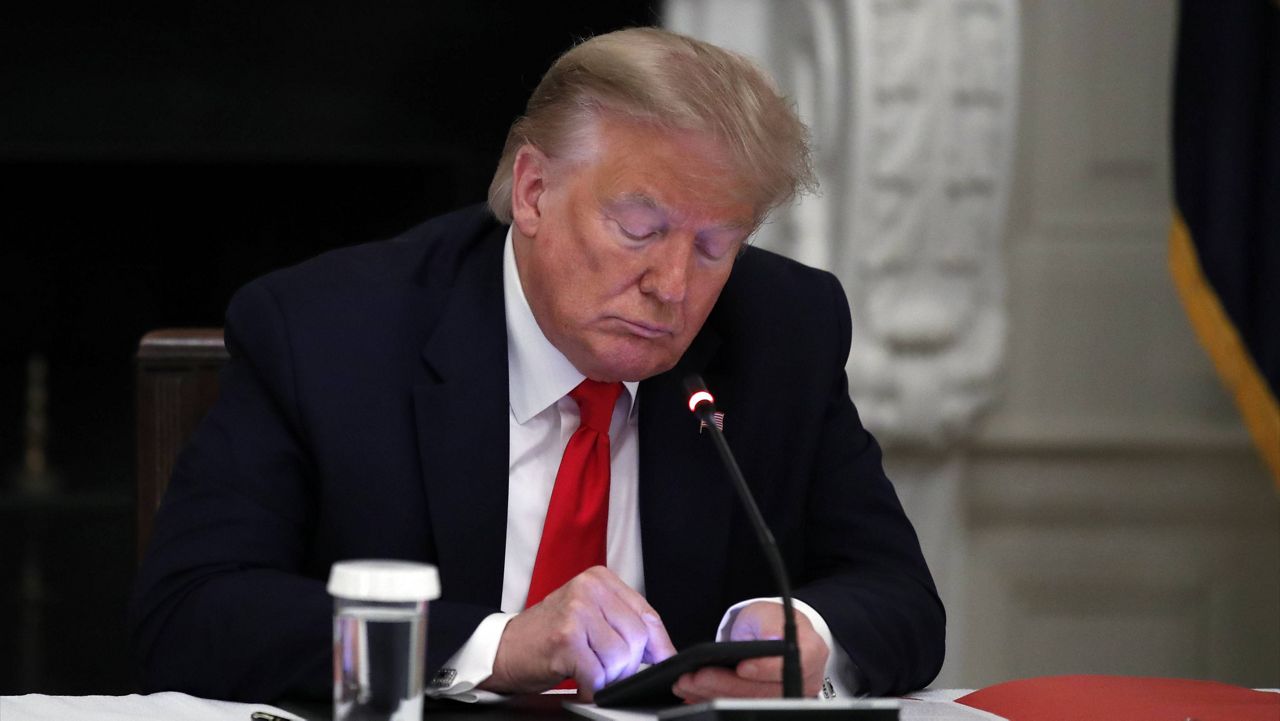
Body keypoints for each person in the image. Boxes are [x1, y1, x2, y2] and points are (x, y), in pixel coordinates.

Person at [130, 27, 944, 704]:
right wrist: (496, 644)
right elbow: (189, 615)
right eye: (638, 226)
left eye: (713, 245)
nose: (672, 285)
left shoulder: (783, 331)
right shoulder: (329, 332)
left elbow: (900, 597)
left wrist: (805, 633)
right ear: (532, 190)